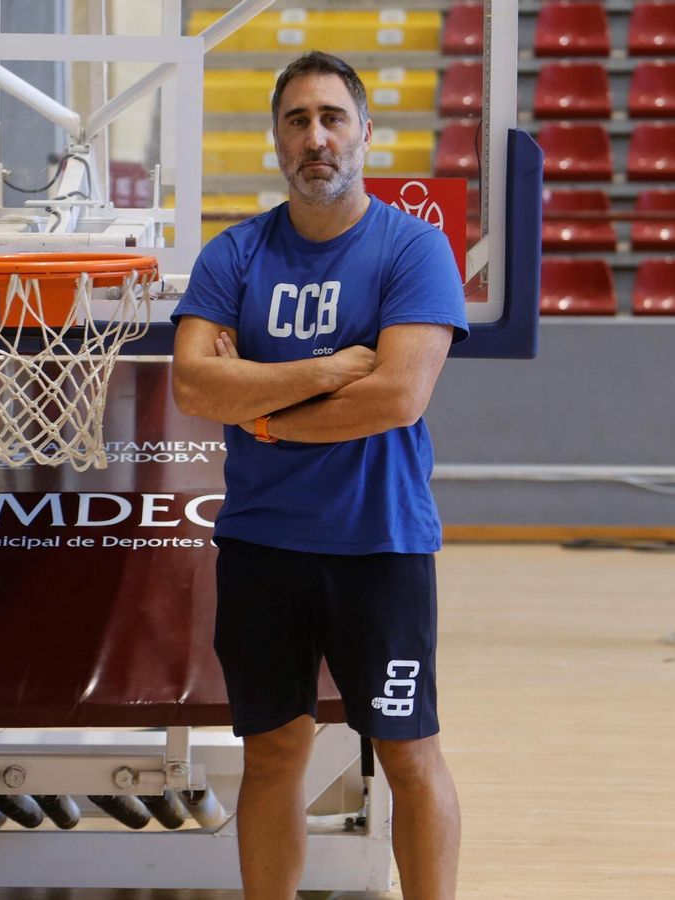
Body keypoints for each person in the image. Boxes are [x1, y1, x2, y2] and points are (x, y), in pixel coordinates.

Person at [169, 51, 468, 900]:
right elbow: (193, 384)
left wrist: (256, 405)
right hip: (263, 546)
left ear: (366, 134)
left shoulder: (414, 249)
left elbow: (400, 396)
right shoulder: (233, 254)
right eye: (298, 121)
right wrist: (332, 368)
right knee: (272, 755)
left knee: (410, 753)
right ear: (276, 140)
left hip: (380, 543)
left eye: (333, 118)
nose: (316, 138)